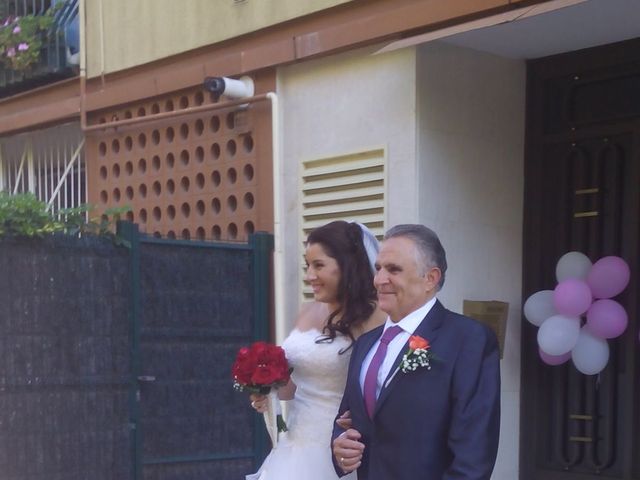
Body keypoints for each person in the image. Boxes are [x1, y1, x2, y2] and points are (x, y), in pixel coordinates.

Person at [331, 224, 501, 480]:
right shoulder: (366, 344)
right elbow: (348, 418)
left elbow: (474, 452)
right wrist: (341, 444)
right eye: (378, 269)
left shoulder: (468, 339)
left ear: (430, 279)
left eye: (394, 269)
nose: (379, 280)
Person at [246, 220, 386, 480]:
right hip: (295, 443)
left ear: (346, 265)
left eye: (319, 265)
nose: (310, 275)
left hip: (340, 446)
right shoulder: (307, 310)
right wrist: (265, 389)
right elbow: (293, 387)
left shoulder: (372, 315)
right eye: (307, 266)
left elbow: (380, 384)